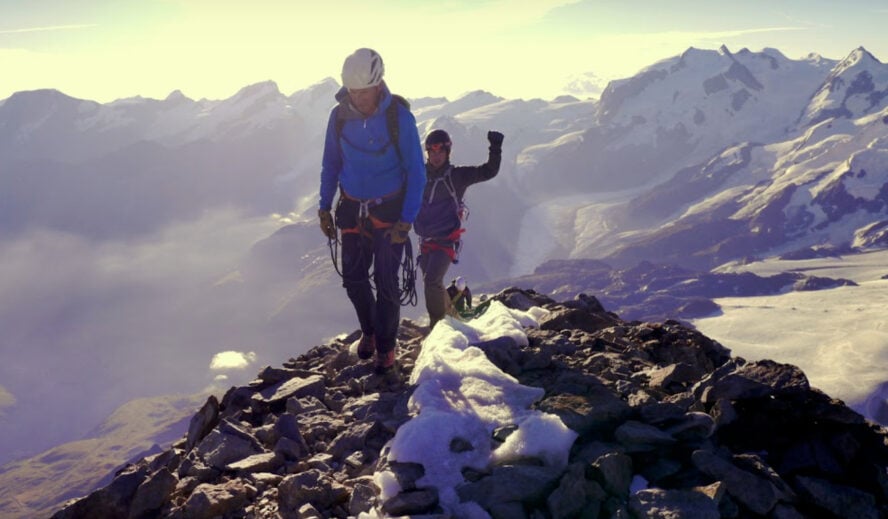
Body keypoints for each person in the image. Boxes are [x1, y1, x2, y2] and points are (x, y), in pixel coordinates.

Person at [317, 48, 426, 372]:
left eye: (363, 91)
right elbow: (331, 164)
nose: (358, 98)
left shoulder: (399, 119)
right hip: (351, 209)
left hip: (390, 211)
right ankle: (370, 331)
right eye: (352, 91)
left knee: (387, 283)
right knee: (353, 279)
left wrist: (406, 220)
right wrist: (324, 207)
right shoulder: (338, 118)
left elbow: (416, 172)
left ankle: (386, 349)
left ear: (378, 85)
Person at [414, 128, 503, 327]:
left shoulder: (457, 176)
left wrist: (495, 148)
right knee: (433, 283)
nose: (436, 157)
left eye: (440, 152)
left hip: (446, 241)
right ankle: (454, 298)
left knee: (431, 282)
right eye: (433, 152)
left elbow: (488, 171)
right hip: (425, 242)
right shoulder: (418, 175)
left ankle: (437, 327)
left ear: (447, 153)